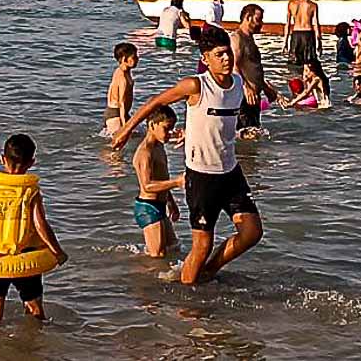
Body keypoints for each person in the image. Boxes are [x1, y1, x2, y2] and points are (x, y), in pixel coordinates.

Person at [111, 25, 264, 285]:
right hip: (202, 176)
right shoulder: (196, 85)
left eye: (227, 53)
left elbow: (214, 124)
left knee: (252, 232)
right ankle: (187, 303)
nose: (226, 59)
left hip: (230, 172)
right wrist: (126, 129)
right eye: (219, 55)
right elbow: (156, 103)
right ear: (205, 59)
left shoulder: (237, 83)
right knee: (202, 245)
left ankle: (209, 271)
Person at [0, 134, 68, 322]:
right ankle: (32, 346)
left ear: (2, 159)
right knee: (35, 310)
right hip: (25, 258)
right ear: (32, 162)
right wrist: (57, 252)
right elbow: (41, 225)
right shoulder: (30, 191)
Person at [132, 106, 182, 258]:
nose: (169, 133)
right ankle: (144, 279)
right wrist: (177, 182)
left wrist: (171, 202)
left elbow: (162, 178)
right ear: (152, 125)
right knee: (157, 256)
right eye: (166, 129)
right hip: (148, 208)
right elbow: (147, 186)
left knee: (174, 248)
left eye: (171, 129)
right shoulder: (145, 152)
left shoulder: (159, 146)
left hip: (160, 205)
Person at [230, 4, 279, 131]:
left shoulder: (249, 39)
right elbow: (233, 66)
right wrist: (246, 87)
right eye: (258, 19)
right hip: (244, 96)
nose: (261, 24)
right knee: (244, 134)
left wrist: (265, 87)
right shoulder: (237, 38)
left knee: (254, 134)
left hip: (254, 96)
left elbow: (252, 68)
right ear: (248, 17)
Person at [285, 0, 321, 68]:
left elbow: (288, 24)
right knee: (309, 63)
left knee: (294, 63)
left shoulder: (291, 4)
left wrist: (285, 42)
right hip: (308, 34)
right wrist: (319, 41)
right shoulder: (313, 5)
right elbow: (316, 24)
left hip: (296, 34)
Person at [104, 42, 138, 137]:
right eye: (134, 57)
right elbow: (121, 102)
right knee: (117, 146)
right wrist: (124, 126)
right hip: (116, 113)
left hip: (123, 113)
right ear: (124, 59)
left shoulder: (125, 71)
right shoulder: (122, 77)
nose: (137, 60)